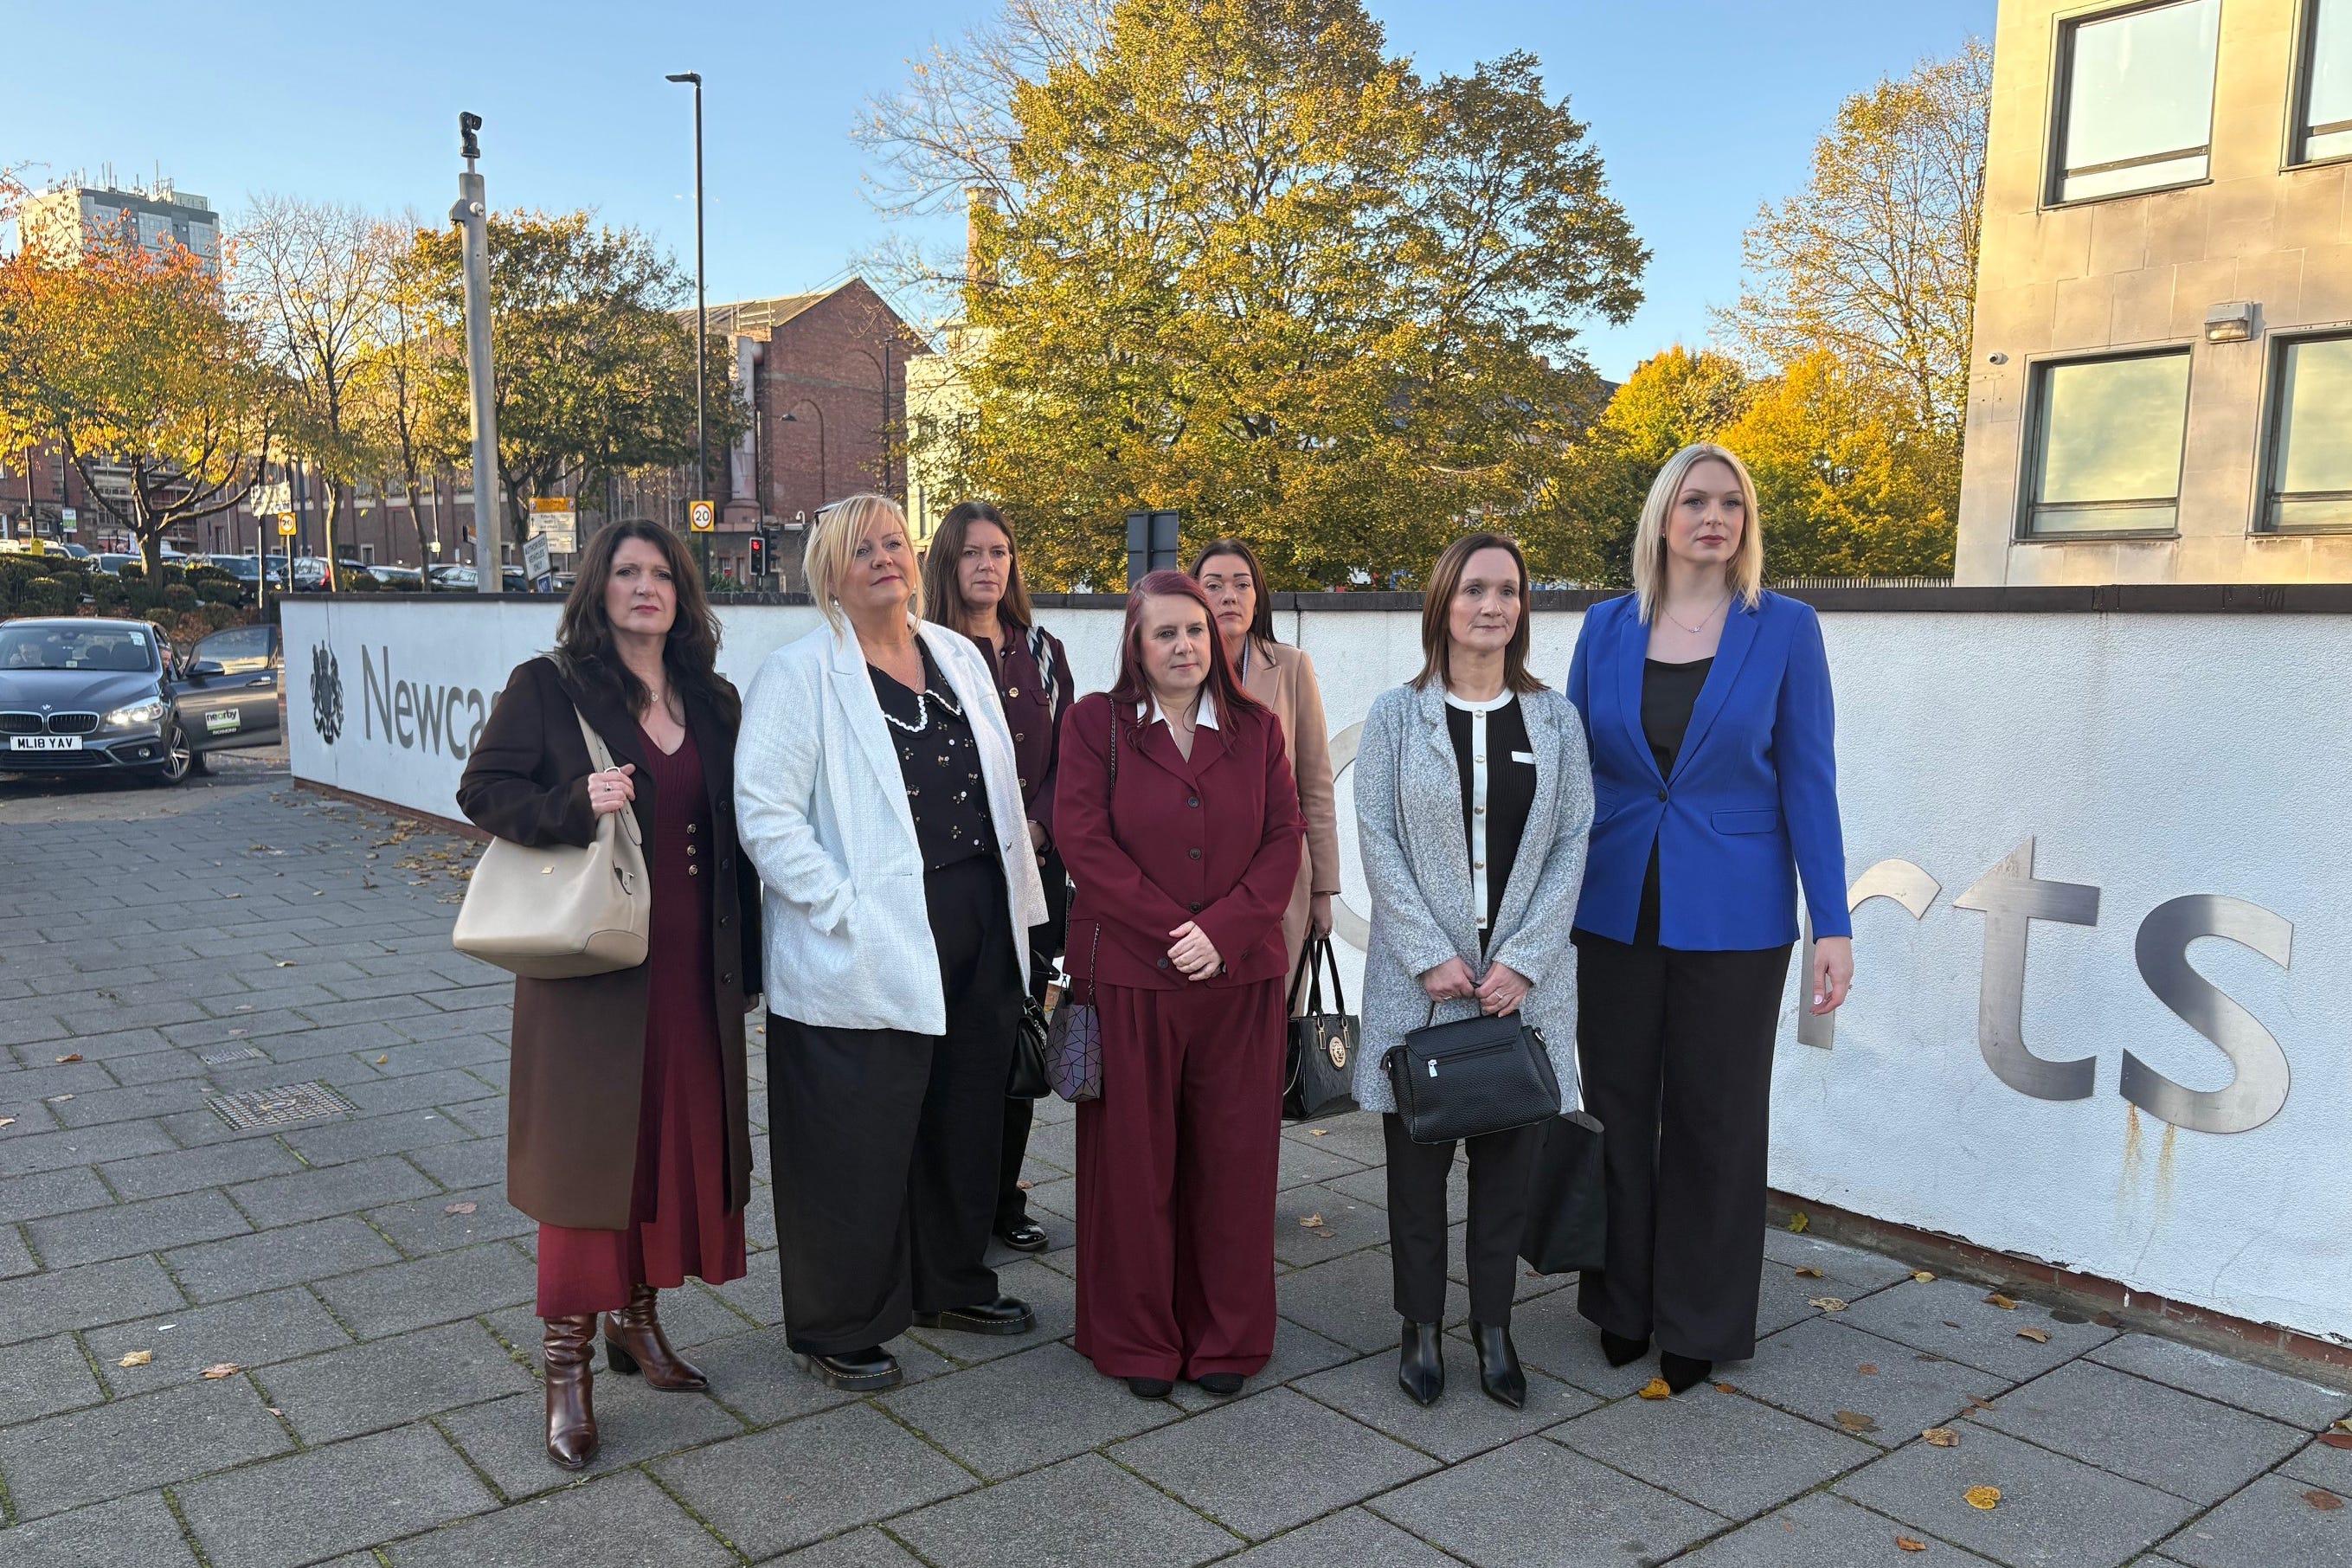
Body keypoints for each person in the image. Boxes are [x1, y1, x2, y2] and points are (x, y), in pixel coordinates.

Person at [456, 519, 762, 1471]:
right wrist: (570, 804)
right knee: (586, 1170)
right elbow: (482, 790)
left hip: (695, 973)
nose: (645, 587)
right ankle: (566, 1369)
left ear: (683, 593)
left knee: (668, 1151)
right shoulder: (548, 687)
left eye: (661, 573)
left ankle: (638, 1321)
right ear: (599, 587)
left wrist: (751, 963)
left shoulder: (712, 699)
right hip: (594, 975)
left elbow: (739, 836)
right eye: (626, 572)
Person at [736, 493, 1048, 1393]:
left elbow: (998, 784)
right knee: (854, 1137)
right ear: (829, 572)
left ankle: (949, 1282)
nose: (884, 558)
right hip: (862, 939)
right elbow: (764, 811)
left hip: (977, 920)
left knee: (963, 1116)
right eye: (861, 549)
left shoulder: (956, 654)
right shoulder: (799, 674)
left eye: (894, 543)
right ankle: (840, 1321)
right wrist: (838, 906)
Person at [1566, 442, 1854, 1395]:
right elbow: (1573, 777)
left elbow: (1809, 780)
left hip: (1738, 914)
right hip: (1613, 904)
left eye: (1732, 503)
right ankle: (1621, 1302)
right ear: (1663, 515)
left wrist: (1833, 921)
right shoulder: (1605, 627)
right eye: (1695, 501)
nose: (1714, 518)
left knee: (1715, 1118)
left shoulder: (1786, 629)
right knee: (1617, 1108)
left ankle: (1700, 1317)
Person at [1353, 532, 1593, 1410]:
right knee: (1415, 1181)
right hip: (1423, 992)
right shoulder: (1396, 715)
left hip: (1519, 996)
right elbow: (1377, 837)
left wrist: (1525, 960)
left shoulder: (1556, 721)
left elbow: (1573, 841)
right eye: (1474, 589)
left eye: (1508, 591)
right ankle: (1419, 1328)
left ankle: (1494, 1328)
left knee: (1506, 1180)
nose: (1492, 605)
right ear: (1443, 603)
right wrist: (1428, 954)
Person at [1055, 571, 1304, 1400]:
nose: (1184, 646)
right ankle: (1138, 1339)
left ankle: (1227, 1334)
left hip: (1240, 979)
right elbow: (1083, 840)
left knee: (1234, 1163)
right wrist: (1175, 933)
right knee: (1134, 1167)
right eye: (1164, 632)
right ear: (1135, 643)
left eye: (1195, 630)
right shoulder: (1095, 724)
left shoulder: (1257, 728)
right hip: (1131, 978)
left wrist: (1223, 933)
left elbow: (1284, 839)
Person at [920, 500, 1074, 1256]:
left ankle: (1002, 1199)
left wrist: (1039, 826)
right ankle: (944, 1205)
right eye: (972, 552)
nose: (988, 565)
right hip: (952, 882)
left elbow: (1072, 758)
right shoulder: (919, 650)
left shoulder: (1042, 652)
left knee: (1018, 1042)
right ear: (947, 562)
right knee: (949, 1047)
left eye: (1000, 551)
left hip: (1033, 879)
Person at [1192, 539, 1340, 982]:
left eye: (1242, 585)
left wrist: (1323, 889)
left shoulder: (1291, 667)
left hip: (1280, 878)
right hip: (1197, 872)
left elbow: (1315, 784)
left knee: (1277, 1008)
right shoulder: (1175, 668)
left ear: (1258, 597)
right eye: (1214, 585)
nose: (1229, 597)